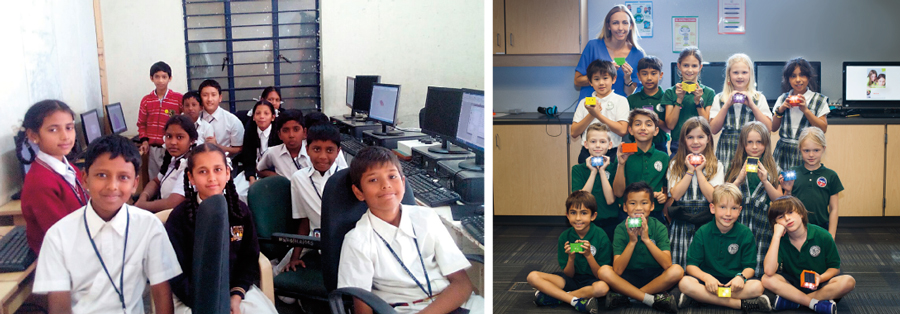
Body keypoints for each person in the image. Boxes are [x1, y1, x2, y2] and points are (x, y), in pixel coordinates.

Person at [34, 135, 182, 314]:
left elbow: (161, 292)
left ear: (135, 184)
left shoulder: (149, 227)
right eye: (102, 175)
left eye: (123, 177)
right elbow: (59, 306)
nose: (112, 186)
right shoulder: (58, 235)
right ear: (85, 179)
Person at [337, 146, 483, 314]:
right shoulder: (358, 240)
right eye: (373, 180)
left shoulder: (427, 218)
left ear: (403, 183)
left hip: (450, 301)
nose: (386, 185)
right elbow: (363, 308)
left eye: (392, 176)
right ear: (359, 192)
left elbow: (462, 284)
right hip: (403, 309)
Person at [166, 143, 277, 313]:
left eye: (217, 170)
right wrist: (204, 302)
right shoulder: (179, 218)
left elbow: (249, 258)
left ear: (227, 173)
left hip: (234, 291)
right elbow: (174, 271)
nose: (211, 178)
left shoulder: (240, 212)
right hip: (191, 297)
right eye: (203, 171)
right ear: (191, 177)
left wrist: (236, 295)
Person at [676, 183, 771, 311]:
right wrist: (707, 278)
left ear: (740, 210)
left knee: (758, 286)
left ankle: (702, 299)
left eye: (734, 208)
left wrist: (741, 277)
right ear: (712, 208)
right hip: (708, 283)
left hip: (734, 285)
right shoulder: (703, 232)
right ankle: (738, 304)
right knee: (684, 283)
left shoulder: (745, 233)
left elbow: (749, 267)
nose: (728, 213)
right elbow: (691, 266)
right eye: (722, 207)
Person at [597, 182, 682, 313]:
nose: (638, 208)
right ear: (624, 207)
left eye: (644, 203)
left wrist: (646, 239)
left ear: (652, 206)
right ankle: (648, 298)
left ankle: (630, 296)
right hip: (628, 276)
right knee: (604, 271)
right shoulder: (620, 228)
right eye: (632, 203)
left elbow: (667, 264)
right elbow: (618, 270)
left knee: (677, 271)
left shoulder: (658, 226)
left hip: (654, 277)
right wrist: (632, 242)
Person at [761, 196, 855, 313]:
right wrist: (776, 236)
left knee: (848, 281)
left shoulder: (823, 235)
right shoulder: (780, 240)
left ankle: (794, 301)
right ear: (776, 223)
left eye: (790, 212)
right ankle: (814, 303)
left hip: (819, 284)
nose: (787, 218)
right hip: (792, 284)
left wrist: (820, 278)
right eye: (781, 217)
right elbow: (769, 271)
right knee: (766, 279)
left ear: (801, 213)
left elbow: (834, 268)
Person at [18, 100, 87, 253]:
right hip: (62, 263)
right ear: (33, 135)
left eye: (69, 128)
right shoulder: (40, 183)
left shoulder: (71, 169)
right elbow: (63, 237)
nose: (65, 136)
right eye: (53, 130)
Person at [527, 191, 611, 313]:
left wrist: (588, 255)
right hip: (571, 280)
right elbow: (569, 274)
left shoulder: (601, 236)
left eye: (583, 213)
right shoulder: (564, 237)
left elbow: (600, 275)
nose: (578, 218)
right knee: (532, 276)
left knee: (602, 288)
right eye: (573, 213)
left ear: (593, 216)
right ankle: (575, 300)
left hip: (592, 280)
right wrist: (571, 258)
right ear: (567, 215)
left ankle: (556, 297)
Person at [281, 124, 347, 274]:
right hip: (313, 239)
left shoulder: (347, 177)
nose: (323, 156)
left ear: (338, 152)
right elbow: (304, 221)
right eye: (316, 149)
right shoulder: (298, 179)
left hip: (343, 243)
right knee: (281, 286)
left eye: (329, 150)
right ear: (307, 149)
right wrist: (295, 257)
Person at [665, 117, 725, 268]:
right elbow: (676, 195)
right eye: (690, 137)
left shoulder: (716, 165)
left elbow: (712, 197)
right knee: (680, 262)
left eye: (700, 137)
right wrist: (690, 171)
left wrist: (699, 172)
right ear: (684, 140)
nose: (695, 142)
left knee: (704, 263)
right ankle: (679, 291)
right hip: (682, 222)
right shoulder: (675, 164)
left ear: (708, 139)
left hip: (705, 222)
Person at [725, 121, 782, 275]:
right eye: (749, 142)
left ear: (766, 144)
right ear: (743, 144)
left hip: (763, 223)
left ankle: (757, 286)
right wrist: (739, 179)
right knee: (738, 253)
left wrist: (765, 181)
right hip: (740, 221)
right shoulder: (735, 166)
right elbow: (725, 197)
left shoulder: (773, 167)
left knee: (760, 257)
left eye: (759, 142)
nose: (754, 147)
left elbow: (779, 200)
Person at [709, 53, 773, 168]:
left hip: (750, 148)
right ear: (729, 75)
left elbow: (768, 128)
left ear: (750, 75)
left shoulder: (758, 98)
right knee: (727, 183)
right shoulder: (720, 98)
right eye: (735, 72)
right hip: (727, 148)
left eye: (744, 72)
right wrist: (726, 105)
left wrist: (752, 106)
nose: (740, 76)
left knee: (748, 181)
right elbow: (713, 129)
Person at [782, 127, 842, 239]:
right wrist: (788, 190)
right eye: (806, 150)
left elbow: (834, 209)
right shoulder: (792, 173)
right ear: (800, 149)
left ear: (823, 149)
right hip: (795, 228)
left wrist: (831, 234)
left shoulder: (831, 176)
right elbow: (785, 205)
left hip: (821, 228)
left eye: (816, 150)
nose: (811, 155)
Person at [770, 57, 829, 172]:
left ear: (808, 77)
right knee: (780, 184)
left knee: (803, 185)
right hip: (783, 151)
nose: (798, 80)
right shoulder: (783, 98)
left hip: (806, 152)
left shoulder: (818, 99)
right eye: (793, 76)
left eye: (802, 75)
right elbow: (773, 128)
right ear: (787, 79)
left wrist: (806, 110)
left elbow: (823, 128)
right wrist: (780, 110)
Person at [574, 4, 645, 100]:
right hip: (590, 107)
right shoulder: (593, 46)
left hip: (616, 110)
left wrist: (627, 79)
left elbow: (630, 93)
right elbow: (577, 81)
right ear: (608, 26)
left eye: (625, 23)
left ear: (631, 25)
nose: (620, 28)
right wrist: (604, 72)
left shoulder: (638, 54)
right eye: (615, 23)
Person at [612, 109, 669, 223]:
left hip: (655, 214)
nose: (643, 128)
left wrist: (664, 196)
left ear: (656, 130)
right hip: (628, 214)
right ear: (630, 130)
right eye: (638, 124)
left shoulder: (663, 157)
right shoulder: (623, 155)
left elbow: (667, 188)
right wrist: (621, 164)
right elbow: (618, 193)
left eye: (648, 124)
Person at [136, 116, 198, 212]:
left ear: (192, 140)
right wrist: (144, 196)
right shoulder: (173, 159)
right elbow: (156, 182)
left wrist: (142, 206)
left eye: (179, 137)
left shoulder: (189, 166)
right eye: (169, 136)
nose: (173, 142)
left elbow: (172, 203)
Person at [571, 60, 630, 162]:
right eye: (596, 79)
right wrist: (591, 114)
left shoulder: (621, 100)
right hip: (587, 153)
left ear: (614, 79)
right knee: (587, 178)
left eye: (605, 78)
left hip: (612, 152)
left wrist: (597, 115)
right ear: (590, 82)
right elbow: (574, 132)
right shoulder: (584, 102)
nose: (601, 83)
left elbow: (622, 130)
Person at [661, 47, 714, 156]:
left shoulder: (708, 92)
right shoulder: (671, 92)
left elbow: (706, 123)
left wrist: (698, 102)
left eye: (694, 66)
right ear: (679, 66)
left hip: (701, 143)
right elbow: (670, 125)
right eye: (686, 65)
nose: (690, 70)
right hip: (678, 144)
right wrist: (679, 99)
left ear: (700, 67)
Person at [571, 123, 617, 241]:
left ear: (610, 145)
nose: (597, 145)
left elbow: (610, 200)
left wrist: (601, 171)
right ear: (586, 144)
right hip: (588, 223)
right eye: (593, 141)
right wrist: (593, 172)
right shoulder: (578, 169)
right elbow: (580, 201)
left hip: (611, 222)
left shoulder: (614, 168)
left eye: (602, 142)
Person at [138, 61, 183, 178]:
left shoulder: (178, 99)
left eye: (164, 77)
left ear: (170, 78)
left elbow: (186, 120)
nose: (161, 80)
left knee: (171, 178)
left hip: (172, 148)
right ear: (151, 78)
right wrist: (144, 141)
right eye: (157, 77)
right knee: (155, 179)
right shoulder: (146, 100)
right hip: (153, 150)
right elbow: (141, 124)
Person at [626, 56, 670, 154]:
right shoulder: (631, 99)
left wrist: (655, 118)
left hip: (659, 145)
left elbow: (669, 128)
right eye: (644, 74)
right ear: (639, 76)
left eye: (653, 74)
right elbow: (626, 128)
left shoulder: (667, 98)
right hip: (635, 145)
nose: (649, 78)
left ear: (660, 75)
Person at [237, 100, 282, 184]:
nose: (261, 117)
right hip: (254, 171)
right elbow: (248, 159)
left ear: (273, 117)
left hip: (276, 173)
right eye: (258, 113)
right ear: (253, 117)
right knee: (240, 191)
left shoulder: (278, 133)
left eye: (266, 113)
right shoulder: (250, 130)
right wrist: (252, 179)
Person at [198, 79, 245, 156]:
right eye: (205, 95)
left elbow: (239, 149)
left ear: (220, 98)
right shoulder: (195, 118)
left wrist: (217, 146)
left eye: (213, 95)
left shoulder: (232, 120)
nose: (209, 99)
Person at [257, 109, 306, 178]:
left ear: (304, 132)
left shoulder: (311, 153)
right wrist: (278, 178)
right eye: (285, 131)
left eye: (296, 129)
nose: (291, 135)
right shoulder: (273, 152)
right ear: (279, 135)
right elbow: (259, 169)